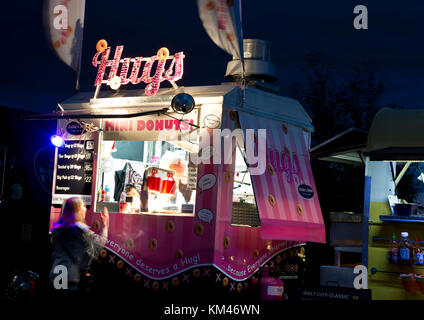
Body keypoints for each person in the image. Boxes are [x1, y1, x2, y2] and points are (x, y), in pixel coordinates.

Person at [49, 197, 109, 297]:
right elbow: (99, 244)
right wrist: (106, 224)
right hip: (71, 276)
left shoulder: (57, 229)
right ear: (77, 210)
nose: (85, 209)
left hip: (57, 273)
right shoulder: (81, 230)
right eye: (83, 206)